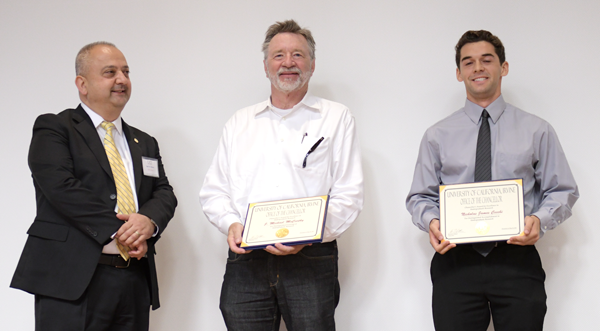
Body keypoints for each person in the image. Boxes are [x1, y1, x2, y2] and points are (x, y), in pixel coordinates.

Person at [406, 30, 579, 331]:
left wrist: (540, 219)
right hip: (455, 262)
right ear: (459, 73)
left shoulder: (537, 129)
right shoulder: (437, 135)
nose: (478, 68)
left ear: (504, 67)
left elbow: (562, 190)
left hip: (516, 258)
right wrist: (432, 222)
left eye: (487, 60)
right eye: (469, 62)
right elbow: (420, 197)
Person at [200, 20, 363, 330]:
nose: (288, 63)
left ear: (312, 64)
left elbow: (349, 194)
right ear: (265, 66)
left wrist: (309, 235)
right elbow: (214, 191)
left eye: (298, 55)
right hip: (246, 259)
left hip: (311, 258)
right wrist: (231, 224)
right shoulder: (240, 122)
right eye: (278, 55)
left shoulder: (336, 118)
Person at [11, 41, 177, 331]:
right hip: (71, 281)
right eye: (110, 72)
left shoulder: (144, 141)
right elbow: (62, 188)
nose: (122, 79)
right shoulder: (54, 128)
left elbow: (164, 192)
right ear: (82, 84)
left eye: (126, 72)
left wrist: (148, 223)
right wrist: (123, 230)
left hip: (134, 279)